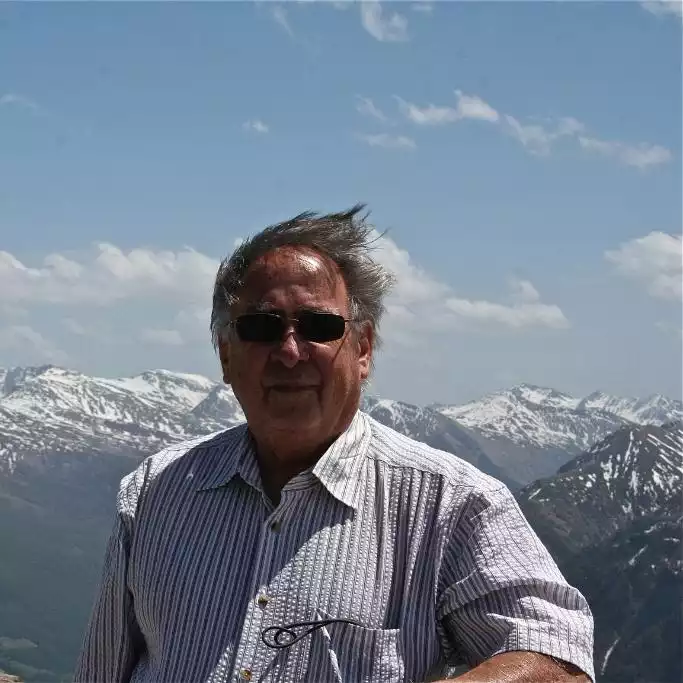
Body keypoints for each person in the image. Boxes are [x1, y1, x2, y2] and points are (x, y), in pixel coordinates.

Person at [75, 205, 595, 683]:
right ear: (226, 355)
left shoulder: (449, 503)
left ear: (363, 350)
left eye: (318, 326)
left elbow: (558, 658)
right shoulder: (154, 492)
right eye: (261, 327)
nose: (290, 351)